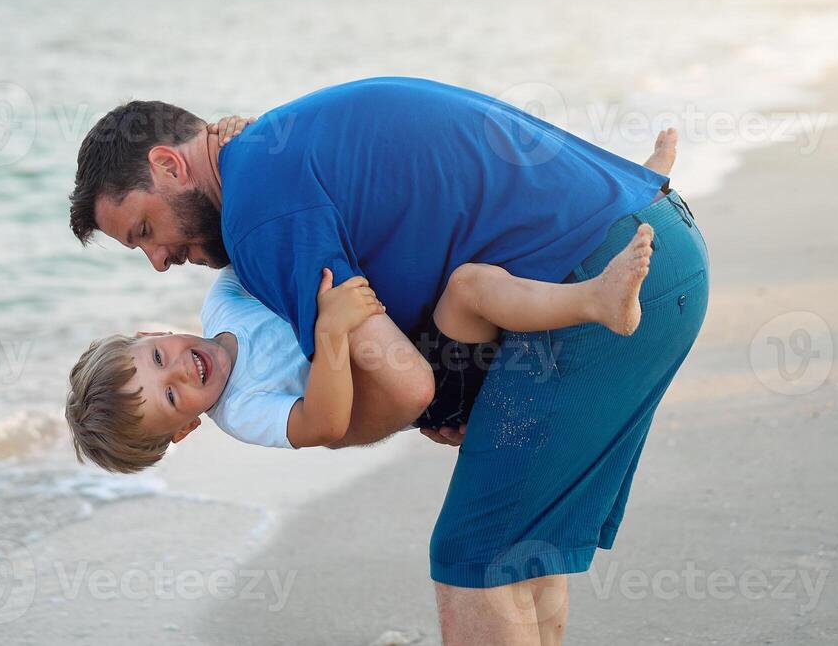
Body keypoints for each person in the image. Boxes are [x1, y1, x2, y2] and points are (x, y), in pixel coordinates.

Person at [69, 78, 709, 645]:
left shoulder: (257, 221)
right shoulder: (272, 148)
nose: (157, 261)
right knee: (521, 552)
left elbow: (406, 384)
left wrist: (419, 408)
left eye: (144, 231)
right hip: (654, 227)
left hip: (608, 272)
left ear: (167, 164)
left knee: (474, 561)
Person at [64, 129, 677, 465]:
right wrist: (329, 340)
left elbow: (253, 232)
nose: (179, 369)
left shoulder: (223, 304)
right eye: (172, 397)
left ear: (150, 335)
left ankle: (627, 178)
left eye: (156, 360)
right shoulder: (243, 411)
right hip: (427, 375)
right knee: (470, 286)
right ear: (186, 430)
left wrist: (230, 142)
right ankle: (597, 300)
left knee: (488, 246)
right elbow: (324, 423)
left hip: (410, 336)